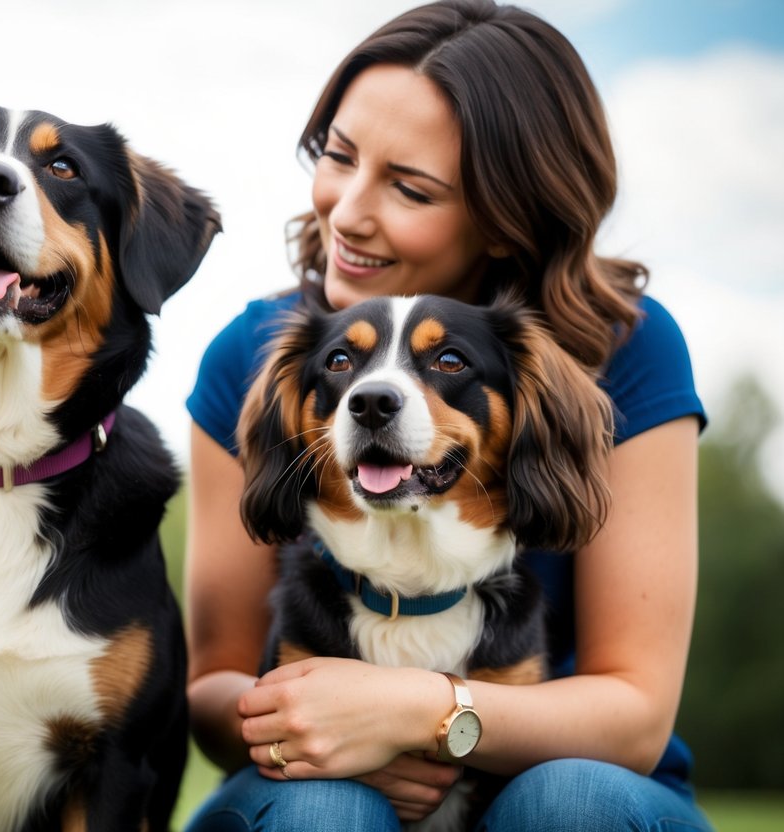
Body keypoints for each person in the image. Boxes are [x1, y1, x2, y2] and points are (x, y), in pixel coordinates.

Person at [182, 1, 712, 829]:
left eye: (409, 187)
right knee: (325, 808)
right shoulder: (257, 355)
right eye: (338, 156)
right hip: (307, 784)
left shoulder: (622, 349)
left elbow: (635, 717)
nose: (348, 212)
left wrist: (417, 717)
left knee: (564, 799)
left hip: (582, 785)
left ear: (506, 218)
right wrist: (313, 732)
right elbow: (211, 685)